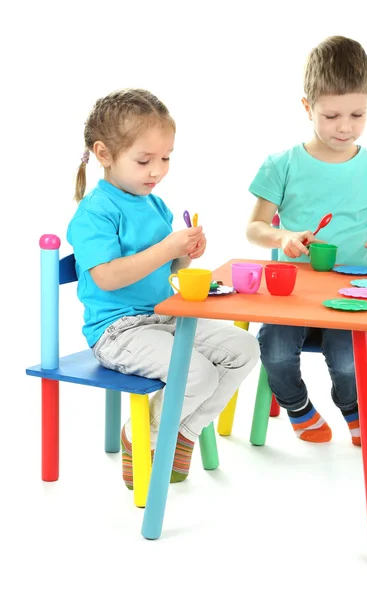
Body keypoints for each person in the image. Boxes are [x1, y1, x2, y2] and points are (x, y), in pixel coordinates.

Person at [67, 88, 259, 487]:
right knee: (197, 374)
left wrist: (185, 253)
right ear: (104, 154)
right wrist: (166, 247)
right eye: (144, 160)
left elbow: (166, 268)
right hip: (117, 331)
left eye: (166, 158)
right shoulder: (95, 212)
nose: (157, 170)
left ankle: (182, 433)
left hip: (165, 317)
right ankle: (144, 437)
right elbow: (107, 277)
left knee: (244, 349)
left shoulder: (155, 204)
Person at [246, 36, 367, 446]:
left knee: (346, 363)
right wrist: (283, 235)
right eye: (332, 115)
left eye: (358, 114)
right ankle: (298, 406)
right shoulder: (281, 165)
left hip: (354, 293)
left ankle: (353, 407)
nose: (345, 127)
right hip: (294, 293)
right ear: (307, 108)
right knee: (275, 350)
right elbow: (254, 227)